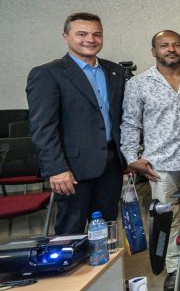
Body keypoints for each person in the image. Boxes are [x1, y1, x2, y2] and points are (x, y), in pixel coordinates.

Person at [120, 30, 180, 291]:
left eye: (176, 44)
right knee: (168, 219)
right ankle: (175, 268)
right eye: (164, 45)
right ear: (154, 51)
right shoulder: (138, 84)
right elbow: (130, 123)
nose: (171, 49)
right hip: (160, 164)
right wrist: (131, 158)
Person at [27, 13, 127, 235]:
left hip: (111, 165)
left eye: (96, 34)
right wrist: (56, 169)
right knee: (70, 232)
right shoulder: (47, 74)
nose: (90, 39)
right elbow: (43, 128)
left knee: (107, 230)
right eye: (82, 34)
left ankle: (103, 259)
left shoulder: (115, 72)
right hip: (71, 170)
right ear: (66, 36)